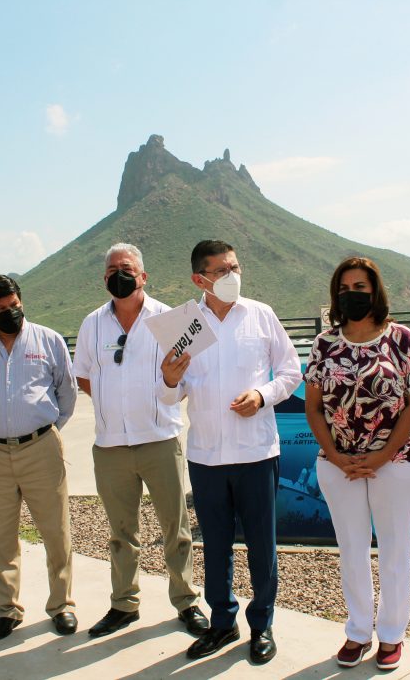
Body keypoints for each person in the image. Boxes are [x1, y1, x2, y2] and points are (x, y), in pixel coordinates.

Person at [159, 239, 301, 664]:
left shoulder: (260, 314)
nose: (232, 276)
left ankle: (262, 625)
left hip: (257, 452)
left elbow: (292, 371)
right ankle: (222, 622)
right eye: (222, 271)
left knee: (261, 544)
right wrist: (167, 379)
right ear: (199, 279)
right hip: (206, 456)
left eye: (235, 267)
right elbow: (169, 397)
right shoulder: (184, 323)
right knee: (215, 545)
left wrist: (262, 394)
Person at [73, 243, 209, 638]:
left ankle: (186, 601)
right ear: (104, 279)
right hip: (111, 444)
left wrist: (162, 386)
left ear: (143, 276)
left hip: (160, 438)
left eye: (128, 267)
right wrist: (112, 404)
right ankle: (123, 604)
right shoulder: (91, 324)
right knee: (120, 532)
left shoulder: (173, 319)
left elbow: (188, 380)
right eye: (113, 269)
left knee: (176, 528)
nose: (121, 273)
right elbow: (83, 375)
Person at [304, 257, 410, 671]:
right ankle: (358, 632)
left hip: (394, 462)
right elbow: (312, 407)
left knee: (395, 551)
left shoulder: (401, 338)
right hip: (337, 464)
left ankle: (391, 635)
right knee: (352, 550)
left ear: (375, 291)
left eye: (360, 287)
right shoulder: (325, 343)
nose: (352, 294)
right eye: (345, 288)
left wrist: (380, 455)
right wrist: (339, 457)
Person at [0, 274, 79, 639]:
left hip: (41, 448)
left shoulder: (49, 340)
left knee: (56, 532)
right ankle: (7, 609)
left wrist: (47, 429)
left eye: (15, 306)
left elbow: (66, 392)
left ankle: (62, 605)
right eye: (1, 310)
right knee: (0, 535)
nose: (11, 313)